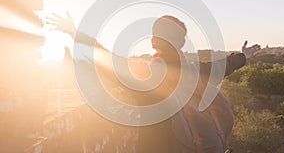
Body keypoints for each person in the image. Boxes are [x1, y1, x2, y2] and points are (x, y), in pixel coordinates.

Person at [47, 13, 260, 153]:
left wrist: (74, 33)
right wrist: (244, 56)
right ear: (182, 43)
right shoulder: (193, 70)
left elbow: (107, 58)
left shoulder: (143, 75)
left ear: (153, 42)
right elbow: (221, 66)